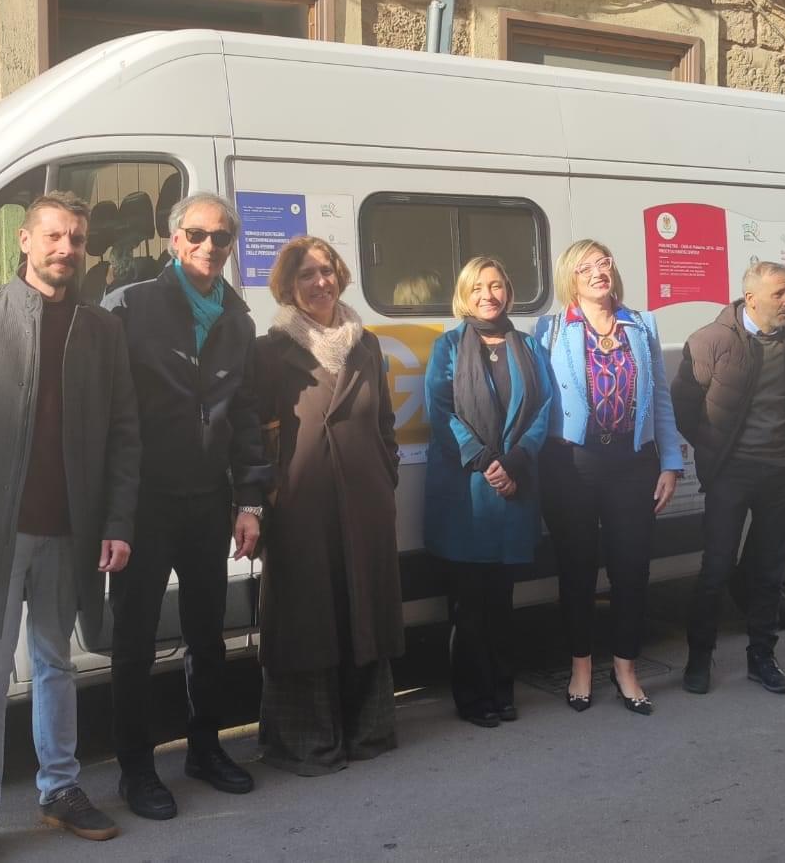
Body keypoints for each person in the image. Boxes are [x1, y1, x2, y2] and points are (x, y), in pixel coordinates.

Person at [0, 191, 141, 862]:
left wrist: (116, 521)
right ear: (25, 240)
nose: (65, 248)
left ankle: (60, 790)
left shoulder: (101, 329)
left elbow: (124, 433)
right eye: (53, 236)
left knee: (55, 665)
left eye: (76, 238)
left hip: (69, 534)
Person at [101, 192, 271, 818]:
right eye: (196, 235)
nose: (208, 246)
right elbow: (107, 412)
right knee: (134, 644)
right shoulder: (130, 307)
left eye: (221, 238)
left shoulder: (238, 319)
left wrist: (249, 500)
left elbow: (246, 415)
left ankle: (205, 749)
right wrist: (112, 509)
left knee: (208, 637)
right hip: (145, 502)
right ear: (174, 240)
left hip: (207, 501)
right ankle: (136, 769)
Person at [254, 235, 404, 774]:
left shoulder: (366, 344)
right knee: (307, 618)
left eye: (327, 271)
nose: (320, 282)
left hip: (365, 502)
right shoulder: (269, 351)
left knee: (363, 608)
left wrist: (385, 471)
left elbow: (383, 420)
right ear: (287, 286)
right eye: (306, 274)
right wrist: (264, 497)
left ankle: (367, 731)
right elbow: (254, 432)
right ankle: (309, 741)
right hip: (301, 506)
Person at [535, 238, 683, 716]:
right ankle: (581, 666)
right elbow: (541, 400)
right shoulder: (552, 328)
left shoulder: (640, 323)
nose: (599, 272)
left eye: (604, 263)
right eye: (586, 267)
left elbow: (660, 396)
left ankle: (626, 669)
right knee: (577, 567)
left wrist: (670, 461)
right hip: (572, 463)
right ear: (571, 279)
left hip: (632, 461)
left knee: (631, 567)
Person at [670, 261, 785, 696]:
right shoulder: (711, 341)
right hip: (731, 475)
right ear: (751, 299)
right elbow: (683, 406)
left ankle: (762, 658)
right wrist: (713, 448)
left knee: (769, 570)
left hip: (782, 473)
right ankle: (700, 658)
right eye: (780, 294)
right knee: (716, 568)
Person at [423, 256, 553, 728]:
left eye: (496, 286)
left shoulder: (529, 346)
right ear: (464, 294)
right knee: (467, 606)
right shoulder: (447, 347)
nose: (488, 295)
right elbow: (440, 413)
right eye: (477, 287)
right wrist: (485, 461)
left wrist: (515, 462)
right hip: (467, 495)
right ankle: (472, 697)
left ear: (508, 292)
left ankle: (502, 689)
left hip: (513, 489)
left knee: (502, 602)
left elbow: (545, 407)